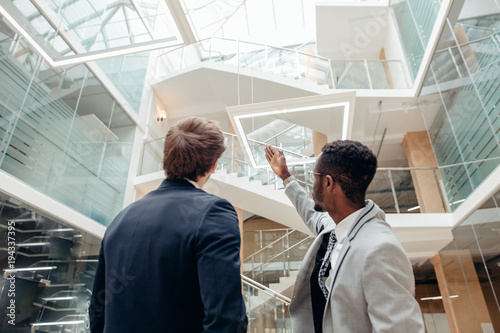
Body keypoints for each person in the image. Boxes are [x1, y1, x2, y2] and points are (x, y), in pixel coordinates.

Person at [89, 117, 247, 333]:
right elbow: (226, 318)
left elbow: (98, 308)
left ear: (167, 158)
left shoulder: (122, 218)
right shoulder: (214, 212)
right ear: (213, 165)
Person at [265, 142, 424, 333]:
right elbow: (312, 214)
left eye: (314, 177)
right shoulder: (337, 226)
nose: (312, 183)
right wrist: (285, 176)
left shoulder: (379, 248)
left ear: (328, 183)